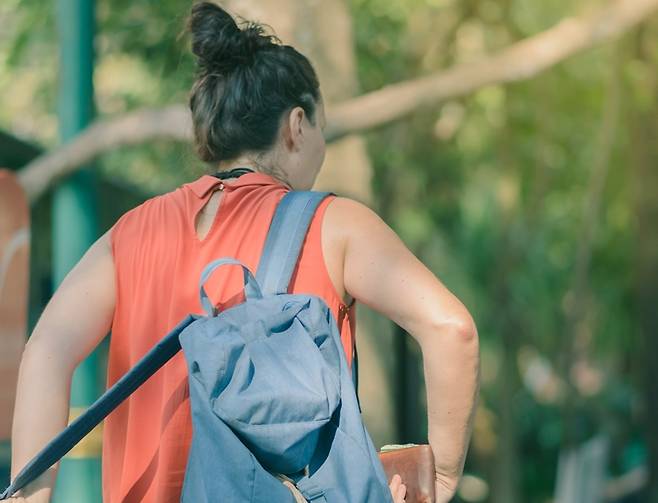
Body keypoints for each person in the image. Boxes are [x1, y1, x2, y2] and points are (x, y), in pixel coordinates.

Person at [7, 2, 480, 502]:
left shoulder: (129, 234)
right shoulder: (334, 224)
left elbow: (46, 353)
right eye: (320, 128)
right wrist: (443, 477)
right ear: (296, 125)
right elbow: (453, 329)